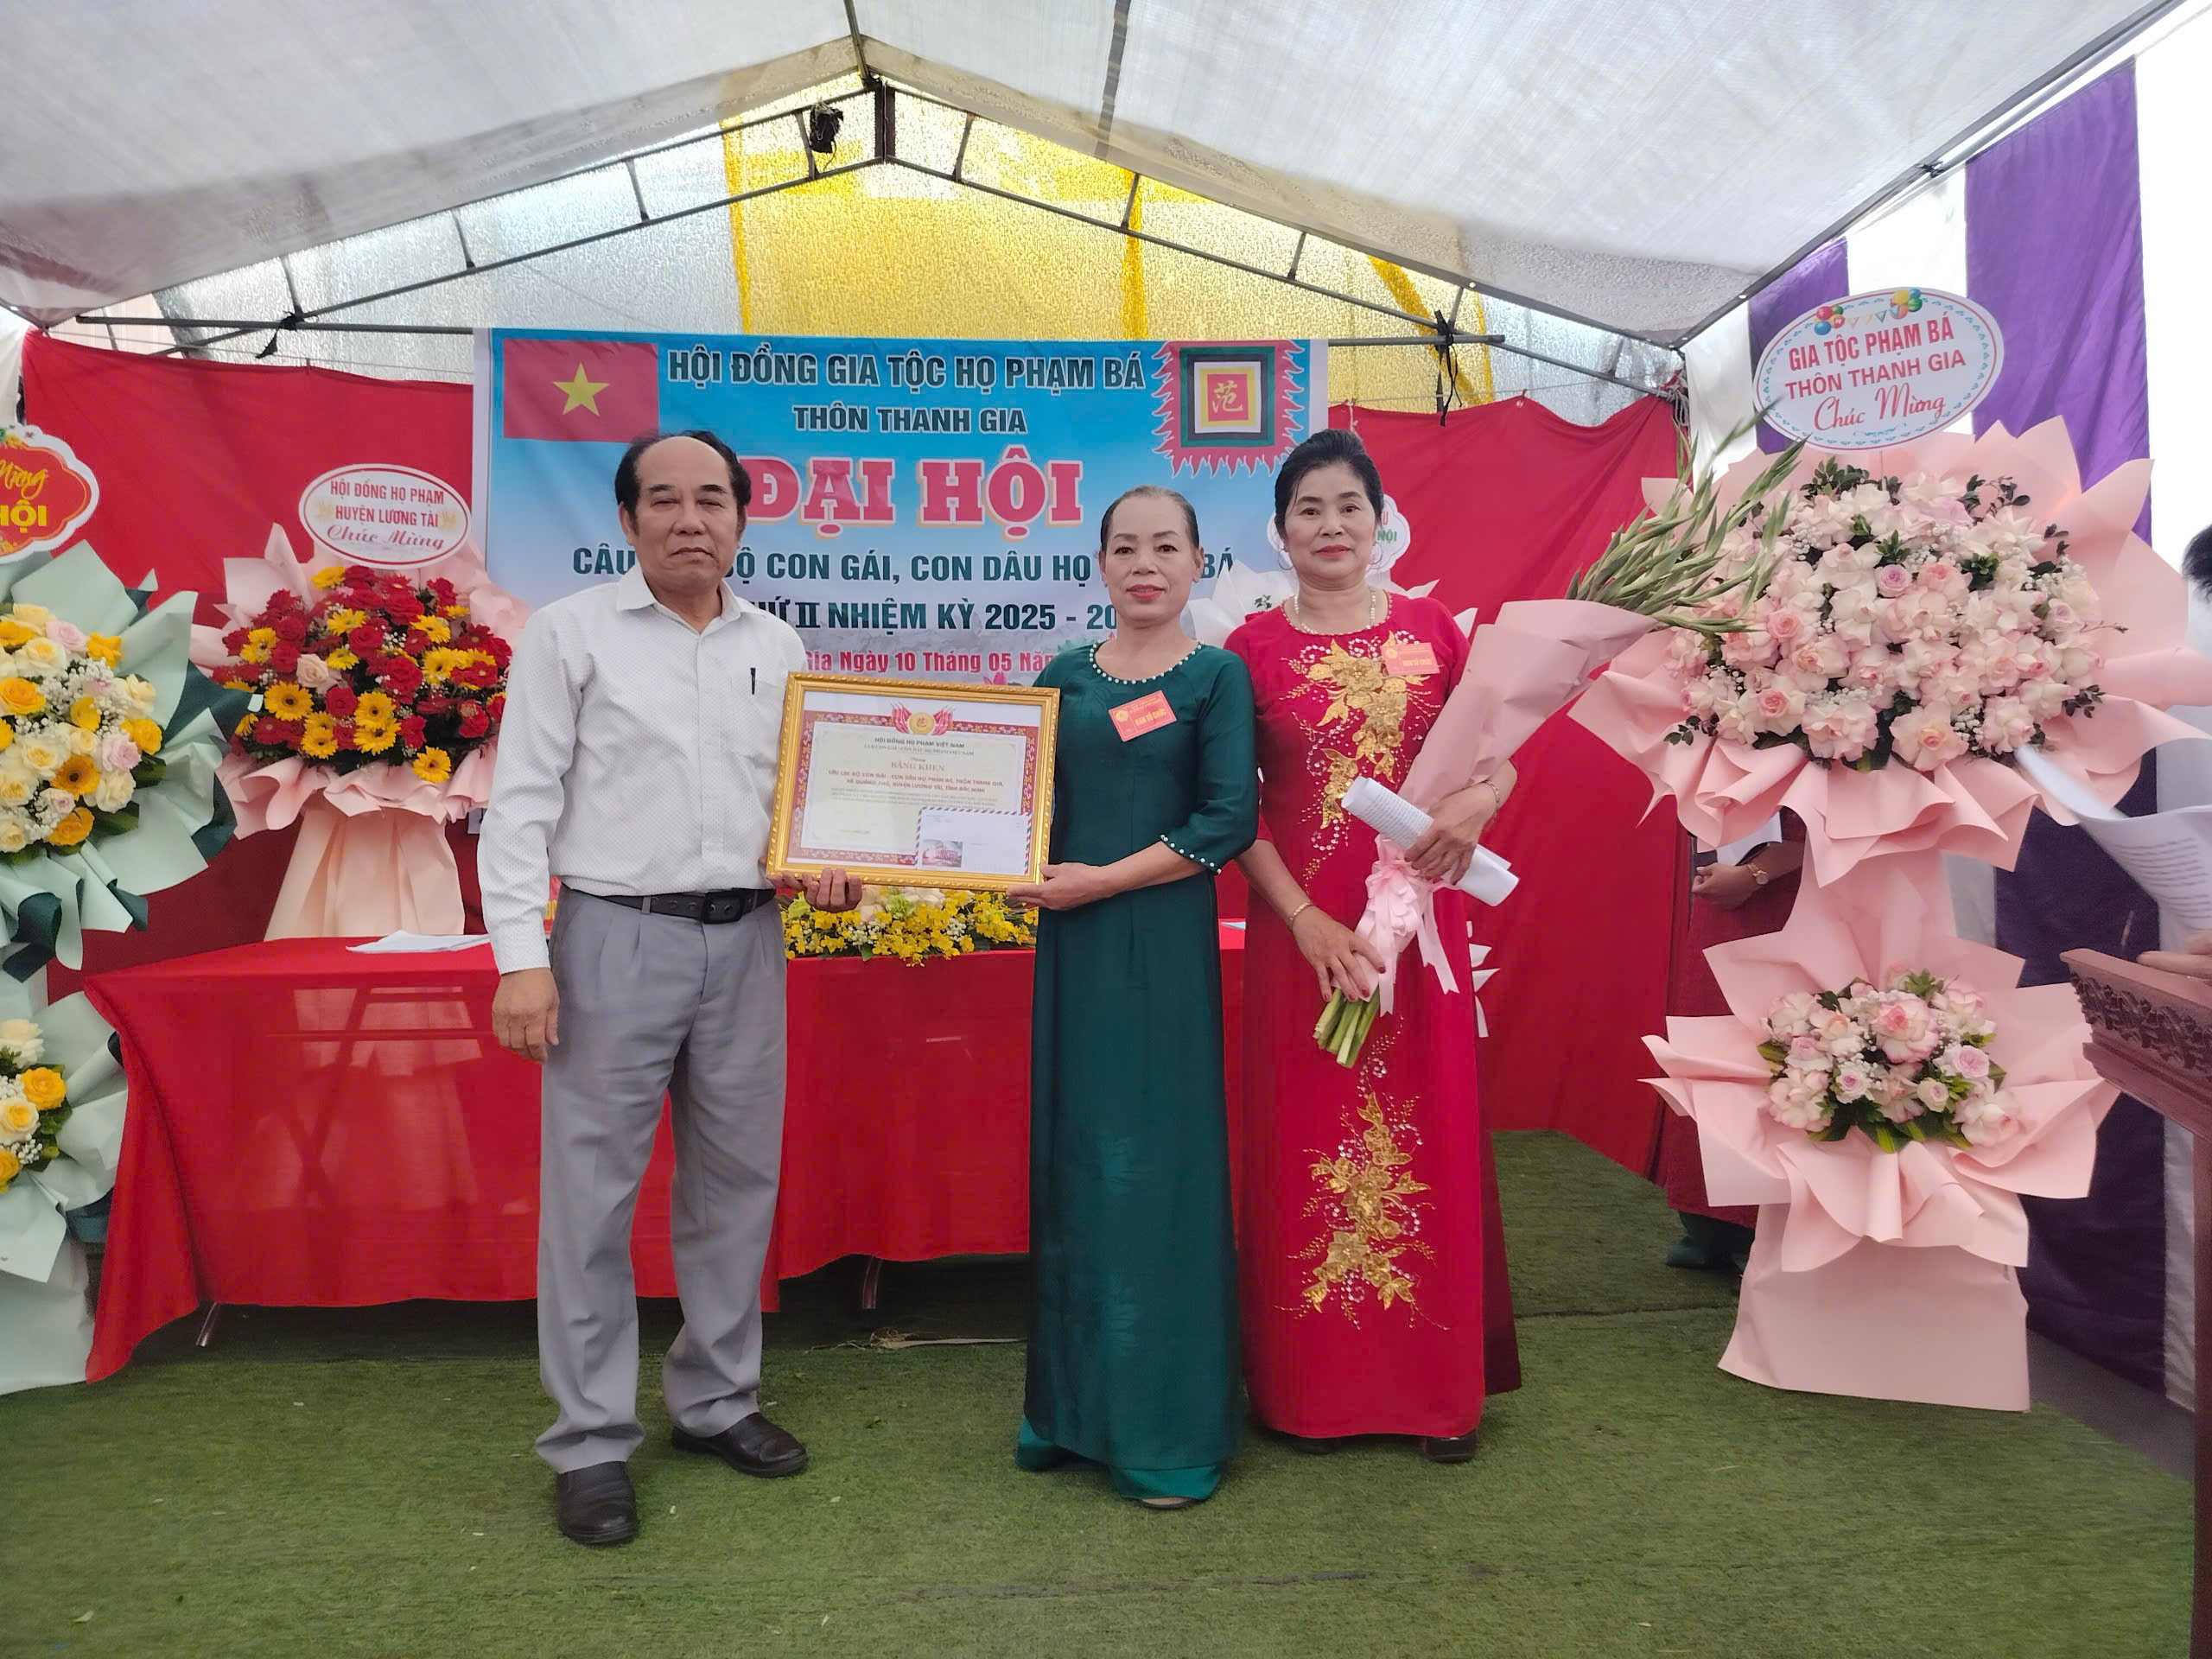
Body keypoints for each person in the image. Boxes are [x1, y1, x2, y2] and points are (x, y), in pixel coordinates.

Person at [480, 429, 855, 1548]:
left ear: (741, 517)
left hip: (748, 938)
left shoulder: (778, 643)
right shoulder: (570, 634)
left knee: (736, 1185)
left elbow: (797, 799)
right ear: (627, 519)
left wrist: (830, 861)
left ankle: (717, 1401)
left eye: (711, 500)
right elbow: (522, 800)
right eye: (664, 500)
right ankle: (590, 1442)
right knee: (591, 1199)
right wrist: (520, 958)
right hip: (613, 938)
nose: (690, 519)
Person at [1227, 426, 1519, 1463]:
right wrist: (1301, 920)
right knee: (1303, 1131)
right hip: (1303, 935)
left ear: (1381, 520)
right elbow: (1232, 807)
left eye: (1348, 505)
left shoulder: (1434, 632)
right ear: (1280, 530)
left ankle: (1435, 1395)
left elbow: (1497, 761)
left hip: (1420, 925)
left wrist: (1477, 804)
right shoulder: (1249, 651)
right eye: (1308, 509)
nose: (1331, 525)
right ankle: (1311, 1393)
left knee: (1424, 1128)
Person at [1008, 485, 1258, 1509]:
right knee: (1075, 1160)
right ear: (1100, 564)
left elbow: (1226, 820)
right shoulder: (1063, 675)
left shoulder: (1216, 677)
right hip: (1071, 947)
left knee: (1157, 1168)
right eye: (1124, 547)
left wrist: (1103, 881)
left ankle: (1165, 1427)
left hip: (1157, 946)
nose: (1144, 564)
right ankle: (1070, 1413)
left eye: (1165, 546)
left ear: (1199, 562)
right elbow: (1018, 804)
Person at [1657, 817, 1805, 1272]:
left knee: (1781, 1044)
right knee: (1714, 1042)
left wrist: (1756, 873)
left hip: (1797, 896)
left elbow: (1849, 820)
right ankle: (1706, 1220)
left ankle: (1760, 1224)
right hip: (1725, 887)